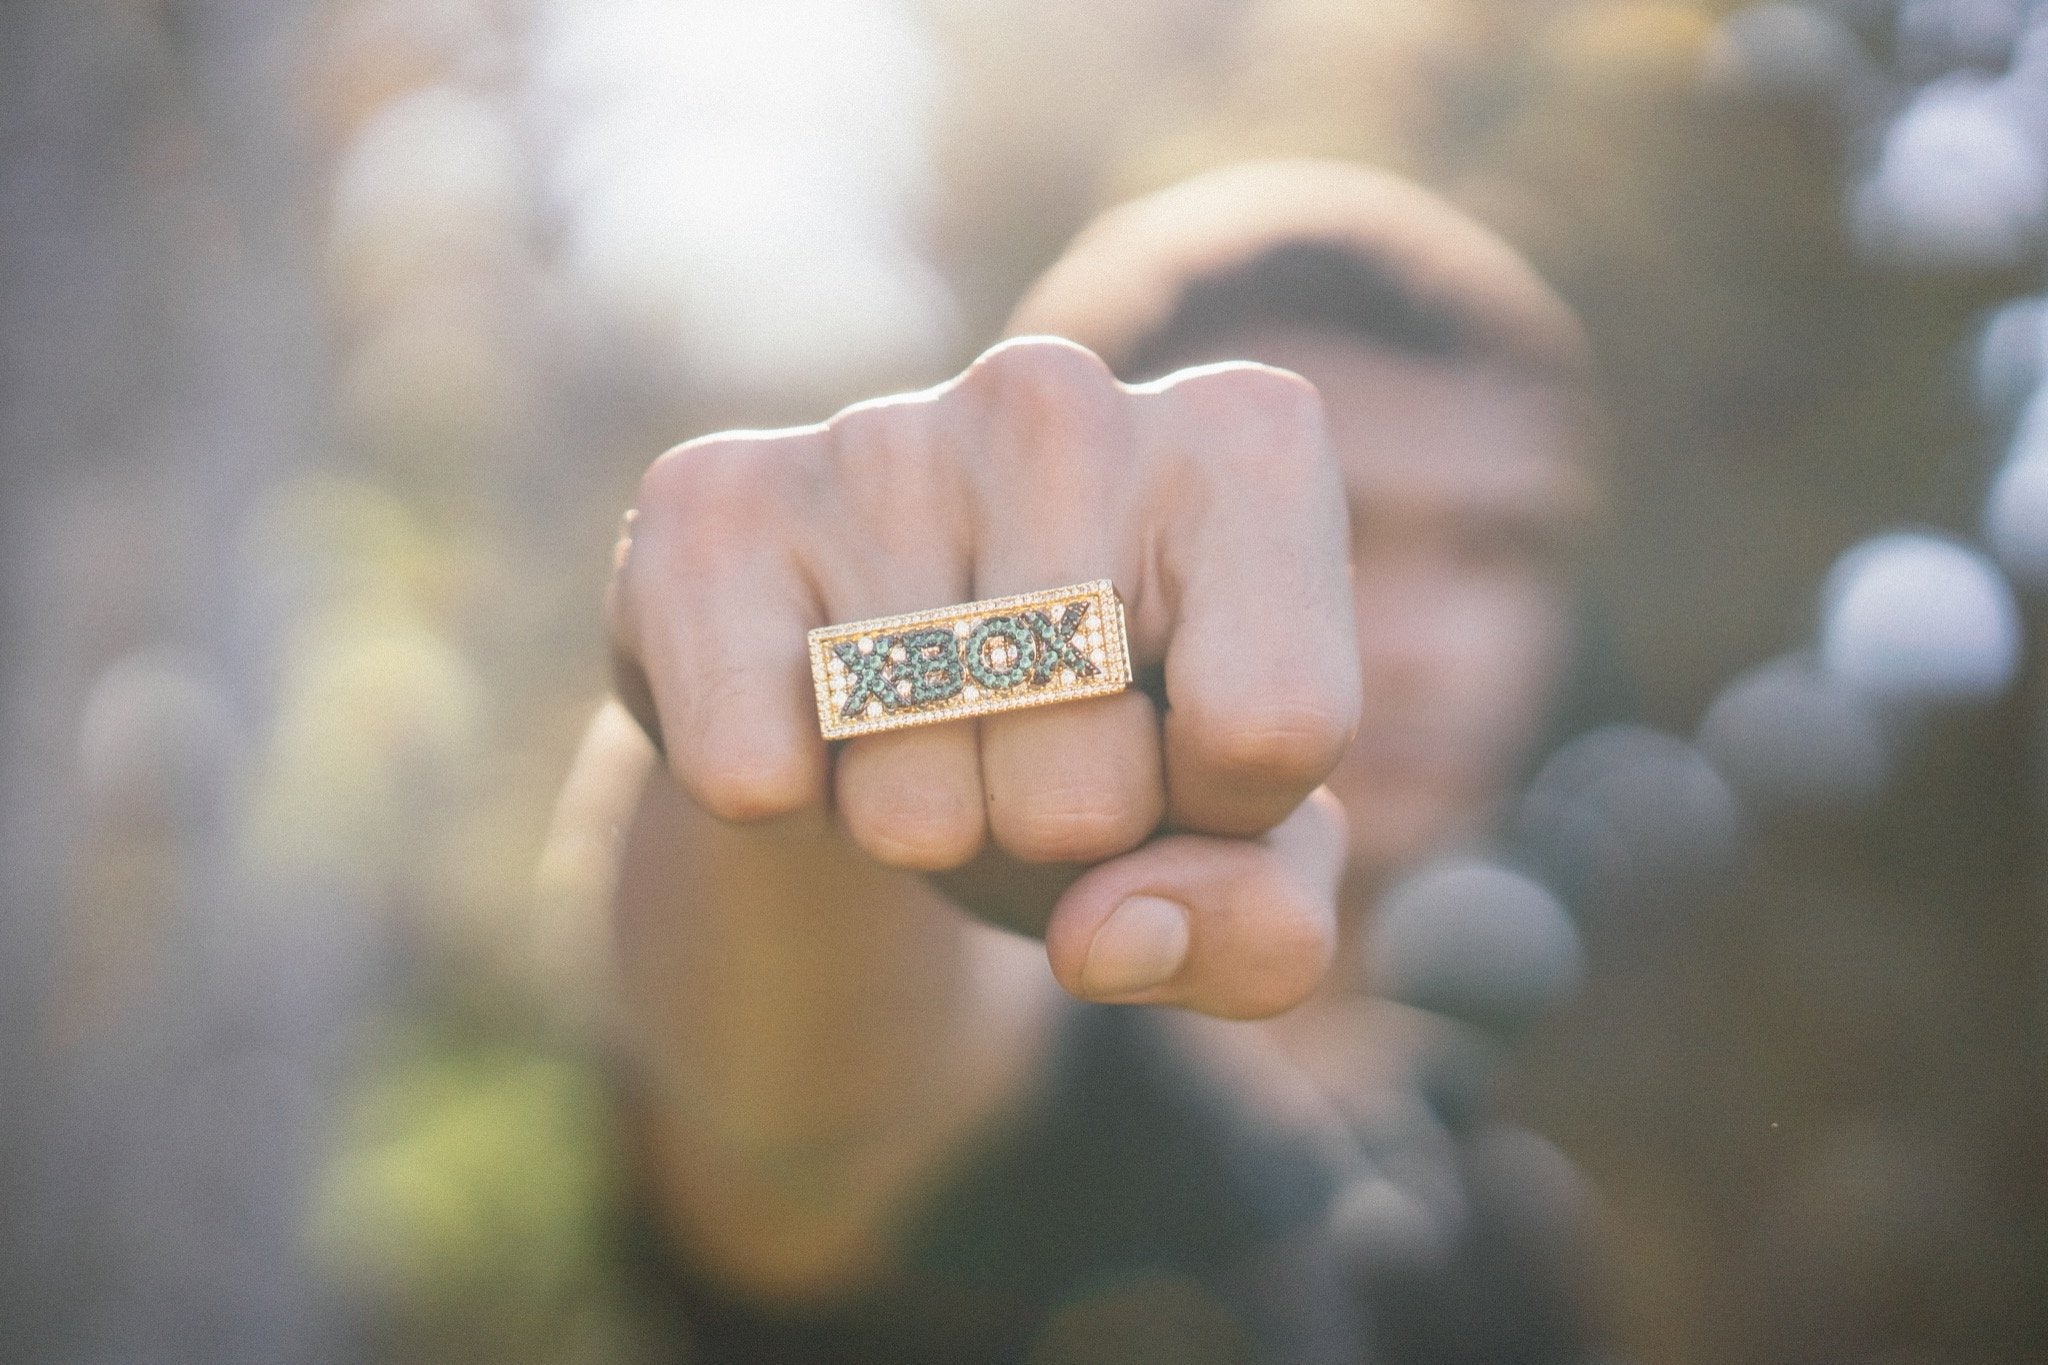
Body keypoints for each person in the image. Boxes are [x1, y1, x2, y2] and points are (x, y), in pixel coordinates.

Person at [439, 159, 1602, 1363]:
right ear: (1061, 530)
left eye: (1496, 546)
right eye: (1333, 531)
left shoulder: (1501, 1189)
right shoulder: (993, 1058)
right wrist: (811, 689)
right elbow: (799, 1070)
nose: (1427, 644)